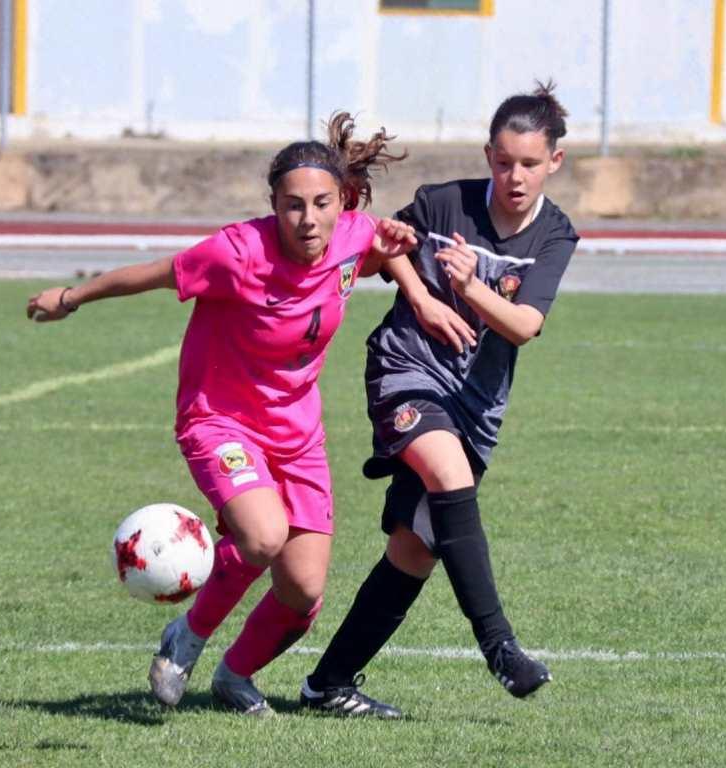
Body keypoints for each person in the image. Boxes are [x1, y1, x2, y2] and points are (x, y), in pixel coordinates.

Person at [26, 113, 418, 716]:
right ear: (273, 204)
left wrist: (413, 284)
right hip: (220, 420)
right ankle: (187, 638)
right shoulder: (236, 252)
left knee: (305, 592)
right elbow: (152, 276)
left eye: (320, 203)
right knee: (262, 536)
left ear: (340, 201)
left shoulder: (353, 234)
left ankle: (235, 676)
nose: (307, 219)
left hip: (300, 433)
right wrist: (71, 298)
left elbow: (374, 251)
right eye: (292, 206)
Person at [299, 82, 579, 718]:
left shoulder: (555, 236)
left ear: (554, 163)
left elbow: (524, 326)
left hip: (476, 407)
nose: (515, 176)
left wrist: (468, 287)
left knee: (416, 549)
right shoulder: (444, 204)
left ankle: (328, 684)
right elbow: (373, 251)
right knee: (449, 477)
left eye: (530, 164)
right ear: (488, 155)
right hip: (408, 372)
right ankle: (500, 647)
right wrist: (420, 295)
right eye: (504, 161)